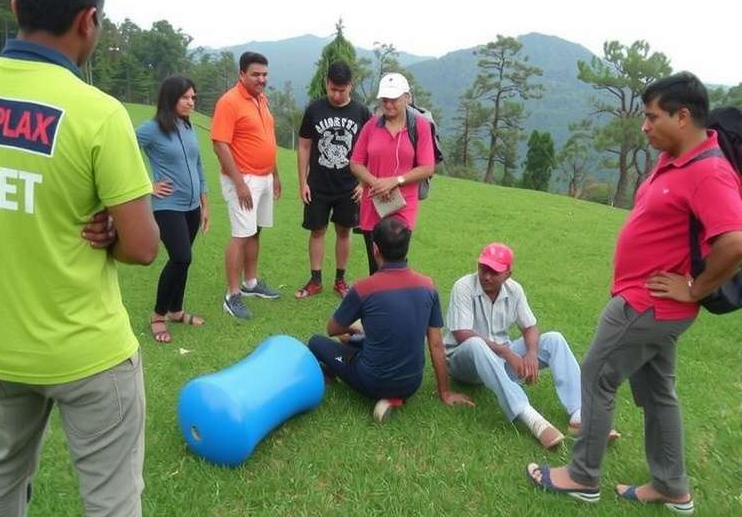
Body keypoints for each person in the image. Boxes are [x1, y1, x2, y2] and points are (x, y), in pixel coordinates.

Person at [0, 0, 159, 517]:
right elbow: (143, 247)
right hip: (88, 351)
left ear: (16, 7)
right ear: (88, 20)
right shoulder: (98, 113)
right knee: (111, 498)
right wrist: (113, 229)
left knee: (1, 470)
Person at [526, 72, 742, 514]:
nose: (644, 126)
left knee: (596, 374)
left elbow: (735, 242)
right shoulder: (676, 155)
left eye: (652, 117)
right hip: (651, 304)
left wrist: (695, 288)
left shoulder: (709, 171)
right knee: (658, 393)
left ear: (683, 117)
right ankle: (671, 485)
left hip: (648, 305)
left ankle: (582, 476)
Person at [444, 243, 619, 448]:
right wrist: (506, 352)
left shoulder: (514, 290)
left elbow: (530, 327)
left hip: (500, 359)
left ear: (508, 274)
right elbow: (462, 334)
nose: (486, 276)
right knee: (475, 344)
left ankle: (580, 415)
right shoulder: (463, 286)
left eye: (494, 272)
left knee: (554, 339)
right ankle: (531, 418)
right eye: (483, 268)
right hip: (464, 363)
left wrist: (532, 354)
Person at [308, 217, 473, 422]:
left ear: (375, 248)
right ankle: (394, 399)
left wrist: (352, 327)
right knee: (360, 340)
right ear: (406, 248)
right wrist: (445, 393)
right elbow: (436, 344)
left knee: (316, 342)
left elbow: (332, 329)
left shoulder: (364, 288)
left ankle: (339, 378)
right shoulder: (428, 285)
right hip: (412, 383)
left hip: (373, 380)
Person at [136, 76, 209, 343]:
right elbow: (124, 149)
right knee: (181, 257)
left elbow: (199, 164)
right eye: (186, 97)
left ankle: (176, 311)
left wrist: (205, 202)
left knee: (183, 259)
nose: (192, 102)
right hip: (168, 206)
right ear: (170, 99)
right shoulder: (153, 128)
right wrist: (147, 185)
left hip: (191, 206)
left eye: (193, 97)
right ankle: (158, 315)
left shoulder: (187, 127)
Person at [211, 51, 281, 319]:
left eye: (264, 74)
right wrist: (239, 183)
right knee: (241, 235)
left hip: (263, 176)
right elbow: (220, 144)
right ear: (242, 74)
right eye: (255, 74)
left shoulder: (261, 99)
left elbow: (267, 138)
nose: (261, 79)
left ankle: (250, 283)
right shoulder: (229, 102)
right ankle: (232, 294)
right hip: (242, 179)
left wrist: (275, 174)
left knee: (255, 231)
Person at [296, 60, 370, 298]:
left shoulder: (361, 112)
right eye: (332, 89)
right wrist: (302, 181)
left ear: (351, 86)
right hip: (318, 184)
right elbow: (305, 146)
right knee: (317, 230)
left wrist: (363, 183)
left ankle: (340, 280)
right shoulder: (315, 109)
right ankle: (315, 279)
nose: (337, 95)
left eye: (342, 90)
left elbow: (370, 150)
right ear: (326, 84)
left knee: (343, 231)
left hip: (349, 186)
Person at [350, 73, 434, 274]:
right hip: (373, 206)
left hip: (403, 206)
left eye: (394, 99)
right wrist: (376, 183)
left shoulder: (419, 126)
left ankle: (393, 302)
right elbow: (355, 163)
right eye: (384, 100)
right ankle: (376, 303)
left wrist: (396, 181)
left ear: (407, 97)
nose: (388, 105)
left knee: (396, 264)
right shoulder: (371, 126)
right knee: (375, 264)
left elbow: (427, 167)